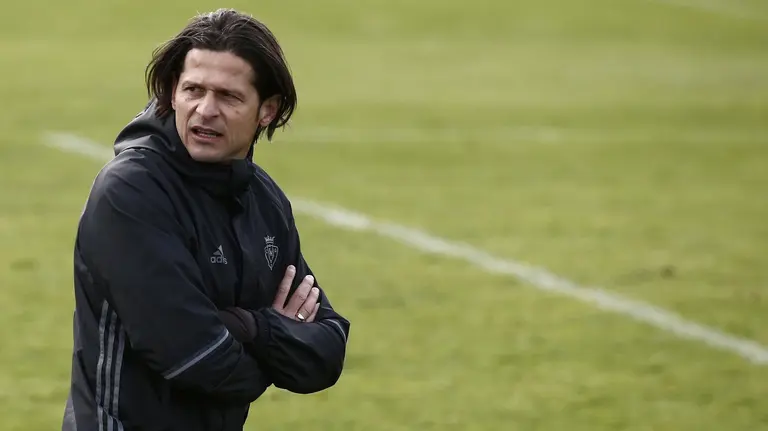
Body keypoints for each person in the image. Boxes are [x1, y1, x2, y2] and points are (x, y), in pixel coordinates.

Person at [61, 8, 351, 431]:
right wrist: (275, 349)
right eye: (193, 90)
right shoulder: (131, 194)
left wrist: (249, 326)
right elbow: (196, 359)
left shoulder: (265, 202)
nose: (205, 110)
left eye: (228, 96)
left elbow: (326, 352)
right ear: (170, 94)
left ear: (267, 110)